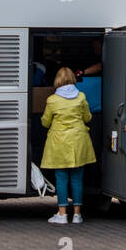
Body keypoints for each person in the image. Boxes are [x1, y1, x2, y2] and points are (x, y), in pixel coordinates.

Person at [40, 67, 97, 224]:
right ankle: (77, 215)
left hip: (60, 143)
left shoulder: (52, 100)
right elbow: (87, 117)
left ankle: (62, 214)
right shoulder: (81, 97)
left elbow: (45, 122)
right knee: (77, 179)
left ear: (57, 80)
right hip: (79, 141)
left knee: (61, 178)